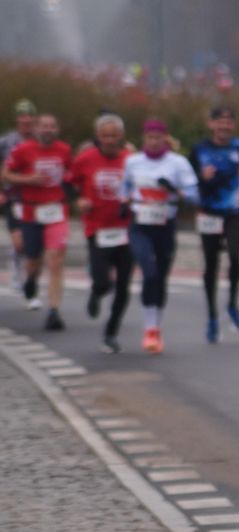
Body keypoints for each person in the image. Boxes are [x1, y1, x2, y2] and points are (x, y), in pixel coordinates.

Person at [121, 118, 199, 354]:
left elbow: (195, 196)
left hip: (165, 225)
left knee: (161, 275)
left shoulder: (178, 163)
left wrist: (174, 190)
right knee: (149, 270)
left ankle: (156, 325)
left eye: (158, 137)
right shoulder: (133, 162)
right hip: (140, 224)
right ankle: (150, 329)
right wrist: (124, 200)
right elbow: (124, 188)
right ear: (144, 139)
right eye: (149, 138)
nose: (154, 142)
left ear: (165, 139)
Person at [188, 106, 239, 343]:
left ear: (233, 126)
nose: (224, 126)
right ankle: (212, 316)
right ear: (211, 124)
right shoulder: (199, 149)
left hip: (234, 212)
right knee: (211, 264)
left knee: (236, 256)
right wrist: (201, 177)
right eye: (220, 121)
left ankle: (232, 305)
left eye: (228, 122)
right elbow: (188, 180)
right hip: (209, 213)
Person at [68, 113, 133, 353]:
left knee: (124, 287)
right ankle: (97, 292)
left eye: (114, 135)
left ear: (121, 136)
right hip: (97, 229)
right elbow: (69, 182)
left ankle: (111, 333)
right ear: (98, 137)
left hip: (127, 230)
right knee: (103, 281)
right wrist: (79, 199)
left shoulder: (131, 160)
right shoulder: (86, 159)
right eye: (105, 135)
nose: (109, 140)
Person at [2, 113, 72, 331]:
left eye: (52, 126)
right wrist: (28, 179)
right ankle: (31, 280)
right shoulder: (23, 150)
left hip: (57, 210)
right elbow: (5, 174)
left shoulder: (64, 150)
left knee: (55, 260)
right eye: (44, 126)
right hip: (31, 210)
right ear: (36, 129)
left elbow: (72, 174)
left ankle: (54, 311)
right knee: (33, 259)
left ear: (57, 129)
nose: (48, 130)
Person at [0, 99, 37, 292]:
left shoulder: (39, 141)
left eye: (30, 116)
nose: (26, 120)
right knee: (19, 240)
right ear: (17, 119)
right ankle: (15, 267)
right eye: (23, 116)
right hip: (13, 196)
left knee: (32, 241)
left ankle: (29, 272)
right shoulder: (6, 142)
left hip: (36, 197)